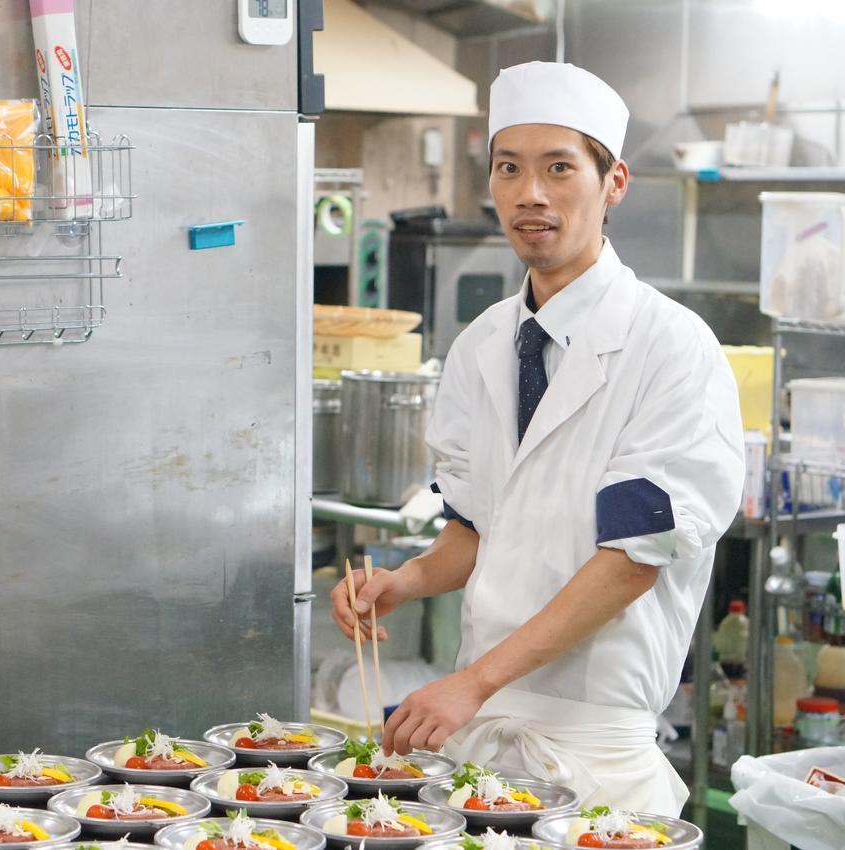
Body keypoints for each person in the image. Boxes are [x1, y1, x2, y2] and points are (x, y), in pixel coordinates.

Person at [330, 61, 745, 815]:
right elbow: (481, 528)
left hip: (594, 756)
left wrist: (474, 680)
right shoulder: (482, 345)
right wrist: (406, 580)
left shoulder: (673, 349)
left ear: (612, 182)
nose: (531, 194)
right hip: (476, 746)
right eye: (508, 168)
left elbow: (629, 565)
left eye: (559, 168)